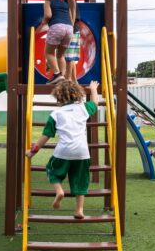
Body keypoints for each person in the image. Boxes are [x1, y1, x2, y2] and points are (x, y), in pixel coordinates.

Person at [25, 80, 99, 219]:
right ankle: (79, 210)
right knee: (80, 179)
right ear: (78, 95)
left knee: (52, 170)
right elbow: (95, 103)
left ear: (59, 98)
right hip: (82, 153)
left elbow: (45, 136)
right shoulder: (83, 108)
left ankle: (59, 191)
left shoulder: (56, 114)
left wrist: (32, 152)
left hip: (63, 152)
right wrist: (93, 89)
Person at [39, 0, 73, 85]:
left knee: (48, 53)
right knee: (60, 55)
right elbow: (70, 17)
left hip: (57, 27)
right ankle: (62, 77)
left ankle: (57, 74)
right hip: (69, 29)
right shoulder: (65, 3)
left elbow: (48, 15)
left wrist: (43, 22)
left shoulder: (48, 2)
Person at [58, 0, 79, 82]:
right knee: (69, 56)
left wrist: (69, 28)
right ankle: (74, 80)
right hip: (71, 30)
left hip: (72, 30)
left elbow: (72, 12)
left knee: (69, 57)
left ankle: (68, 79)